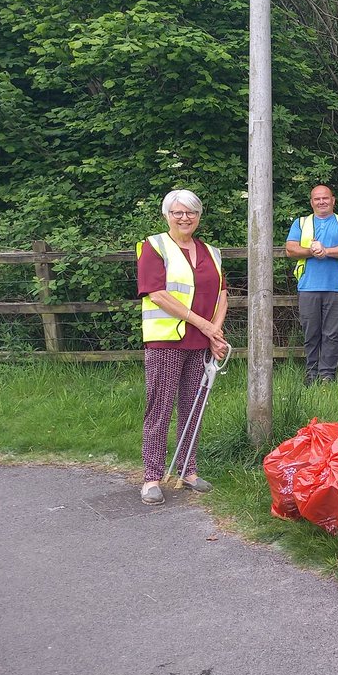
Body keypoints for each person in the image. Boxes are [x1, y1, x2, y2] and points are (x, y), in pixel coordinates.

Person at [136, 189, 229, 505]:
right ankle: (151, 477)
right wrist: (204, 325)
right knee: (159, 407)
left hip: (200, 342)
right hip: (166, 339)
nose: (185, 217)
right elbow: (158, 294)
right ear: (167, 215)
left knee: (194, 407)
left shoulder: (212, 252)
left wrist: (214, 334)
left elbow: (222, 295)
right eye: (178, 212)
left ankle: (188, 471)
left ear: (199, 216)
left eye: (191, 212)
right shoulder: (155, 246)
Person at [285, 185, 338, 385]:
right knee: (311, 334)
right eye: (317, 199)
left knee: (332, 335)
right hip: (308, 287)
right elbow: (290, 249)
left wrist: (325, 251)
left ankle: (327, 376)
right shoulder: (301, 223)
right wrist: (311, 251)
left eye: (325, 198)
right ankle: (311, 374)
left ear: (333, 200)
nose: (321, 202)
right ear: (311, 202)